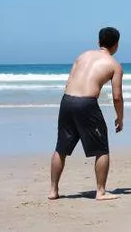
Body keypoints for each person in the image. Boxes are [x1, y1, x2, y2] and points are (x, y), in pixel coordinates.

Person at [48, 27, 124, 201]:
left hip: (67, 101)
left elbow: (70, 80)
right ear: (116, 44)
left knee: (61, 148)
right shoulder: (114, 65)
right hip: (86, 104)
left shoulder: (82, 56)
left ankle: (53, 190)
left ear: (99, 42)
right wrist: (120, 117)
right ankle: (101, 191)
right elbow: (117, 97)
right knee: (101, 147)